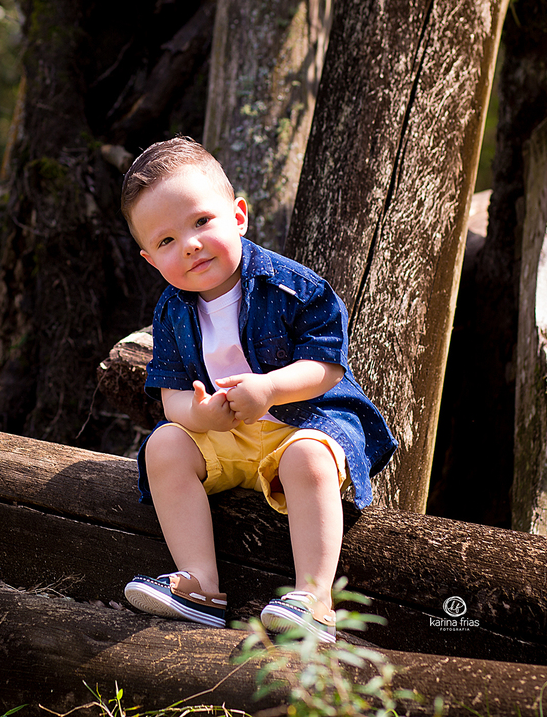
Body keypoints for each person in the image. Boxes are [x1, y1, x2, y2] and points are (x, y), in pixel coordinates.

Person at [118, 136, 397, 642]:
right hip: (228, 438)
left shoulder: (292, 286)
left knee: (308, 459)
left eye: (201, 222)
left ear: (238, 215)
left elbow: (327, 366)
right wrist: (200, 416)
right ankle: (201, 584)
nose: (190, 244)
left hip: (302, 423)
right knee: (163, 445)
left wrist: (268, 390)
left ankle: (315, 599)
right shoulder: (171, 310)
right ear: (150, 259)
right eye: (166, 242)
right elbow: (171, 397)